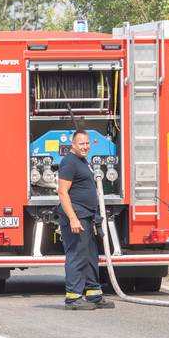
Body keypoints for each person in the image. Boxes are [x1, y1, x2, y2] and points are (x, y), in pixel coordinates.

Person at [57, 130, 115, 310]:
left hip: (88, 217)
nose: (85, 147)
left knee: (90, 256)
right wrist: (73, 218)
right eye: (81, 144)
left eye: (87, 143)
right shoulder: (69, 162)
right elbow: (62, 192)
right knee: (76, 256)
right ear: (73, 145)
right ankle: (73, 298)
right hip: (77, 217)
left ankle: (93, 293)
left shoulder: (83, 161)